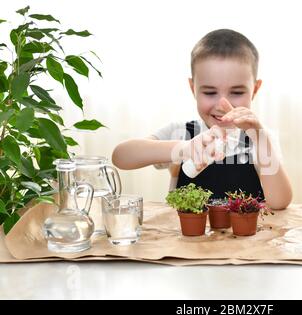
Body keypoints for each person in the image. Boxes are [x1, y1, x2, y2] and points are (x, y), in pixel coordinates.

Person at [112, 29, 292, 209]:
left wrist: (260, 138)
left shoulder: (259, 138)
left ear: (255, 90)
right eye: (210, 92)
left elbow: (280, 202)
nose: (223, 104)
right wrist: (184, 148)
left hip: (243, 235)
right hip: (189, 236)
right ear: (193, 88)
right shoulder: (181, 132)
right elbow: (121, 156)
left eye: (236, 92)